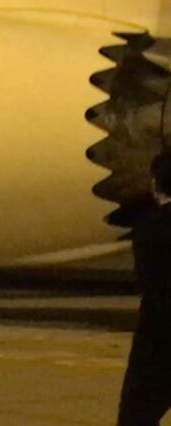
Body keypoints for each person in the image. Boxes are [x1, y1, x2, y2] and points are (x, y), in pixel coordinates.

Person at [118, 151, 171, 425]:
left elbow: (148, 281)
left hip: (157, 341)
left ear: (155, 184)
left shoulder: (148, 230)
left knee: (136, 417)